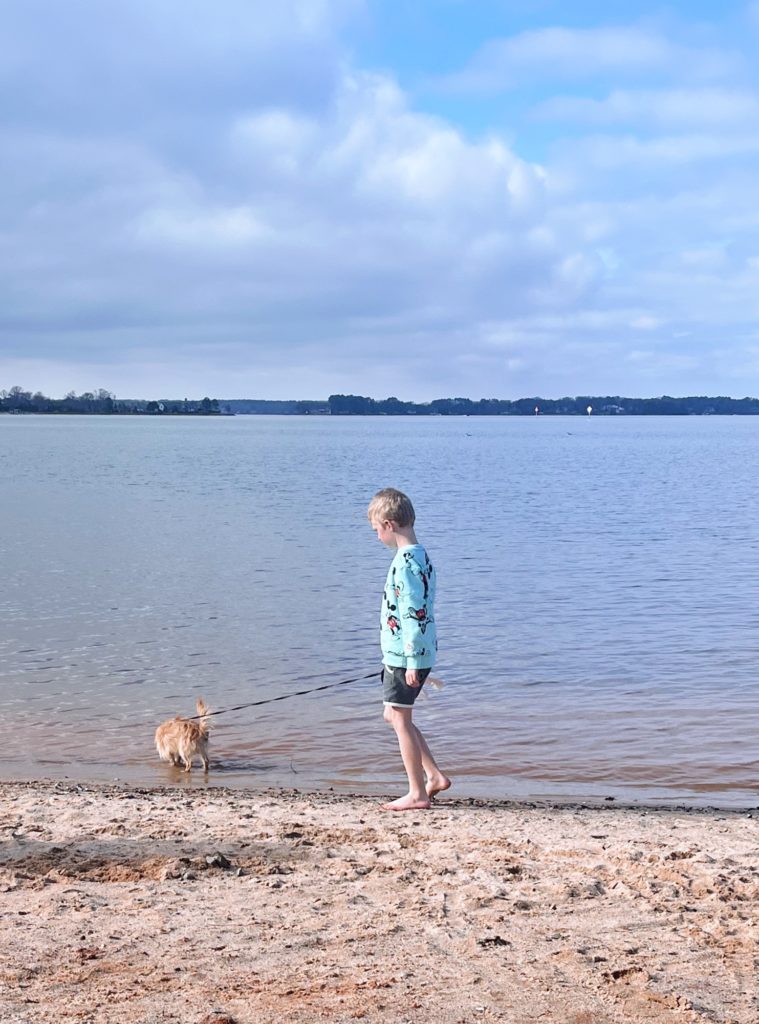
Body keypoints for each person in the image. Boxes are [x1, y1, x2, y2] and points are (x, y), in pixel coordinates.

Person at [367, 487, 450, 811]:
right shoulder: (420, 555)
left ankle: (417, 793)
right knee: (393, 714)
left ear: (388, 524)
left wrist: (413, 661)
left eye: (376, 529)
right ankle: (434, 776)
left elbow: (413, 612)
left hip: (407, 655)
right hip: (407, 652)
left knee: (400, 719)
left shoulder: (405, 563)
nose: (377, 535)